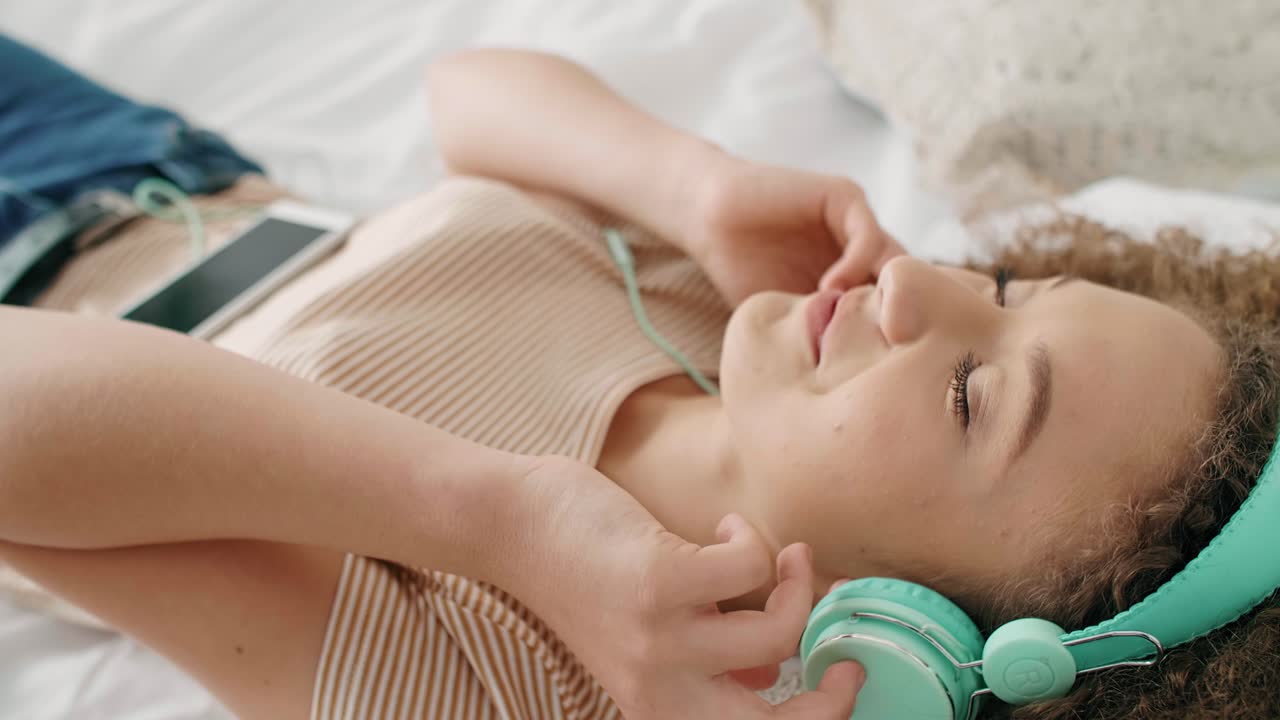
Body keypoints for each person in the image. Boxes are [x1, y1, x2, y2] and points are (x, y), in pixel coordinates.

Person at [2, 44, 1279, 720]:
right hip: (156, 164)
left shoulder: (511, 677)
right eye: (999, 292)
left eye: (968, 396)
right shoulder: (733, 333)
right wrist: (691, 188)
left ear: (906, 647)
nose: (914, 289)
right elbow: (466, 94)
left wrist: (498, 518)